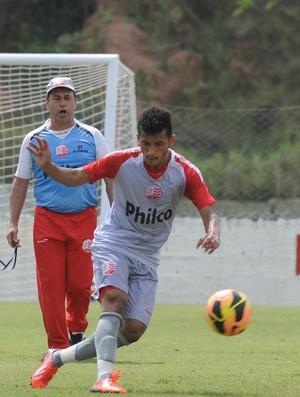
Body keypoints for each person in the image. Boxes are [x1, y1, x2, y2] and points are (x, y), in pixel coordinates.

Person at [28, 106, 220, 393]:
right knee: (114, 301)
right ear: (137, 138)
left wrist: (212, 233)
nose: (151, 151)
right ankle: (103, 378)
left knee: (131, 330)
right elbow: (78, 176)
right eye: (145, 143)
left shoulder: (185, 172)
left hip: (147, 256)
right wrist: (49, 168)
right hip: (113, 243)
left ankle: (56, 358)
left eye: (158, 144)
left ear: (172, 140)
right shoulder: (121, 161)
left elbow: (209, 210)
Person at [6, 77, 113, 350]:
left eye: (67, 97)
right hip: (47, 221)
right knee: (51, 286)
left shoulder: (92, 136)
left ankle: (76, 329)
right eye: (56, 98)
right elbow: (20, 183)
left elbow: (109, 178)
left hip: (84, 219)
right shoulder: (33, 139)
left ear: (75, 102)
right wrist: (12, 224)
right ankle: (56, 344)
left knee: (79, 286)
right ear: (47, 103)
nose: (62, 103)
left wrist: (115, 217)